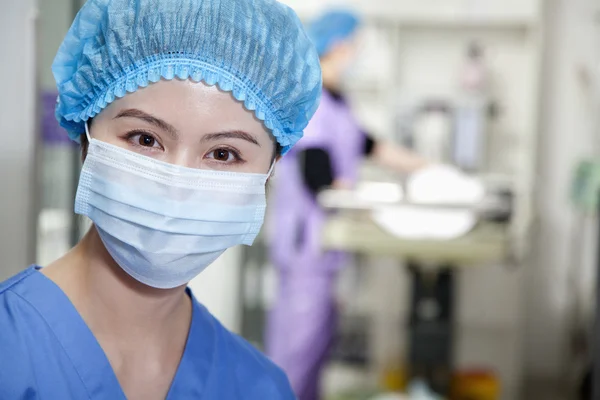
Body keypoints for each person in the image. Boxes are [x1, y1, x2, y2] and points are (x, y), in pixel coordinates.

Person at [0, 0, 321, 399]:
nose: (178, 184)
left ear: (269, 172)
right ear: (87, 138)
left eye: (223, 154)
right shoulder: (7, 349)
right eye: (145, 139)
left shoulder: (259, 388)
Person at [265, 10, 428, 400]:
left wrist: (432, 170)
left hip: (327, 249)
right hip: (307, 246)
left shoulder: (340, 102)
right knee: (294, 355)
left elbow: (371, 146)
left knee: (317, 352)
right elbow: (318, 177)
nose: (358, 55)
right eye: (356, 47)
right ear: (338, 47)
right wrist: (370, 203)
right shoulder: (312, 99)